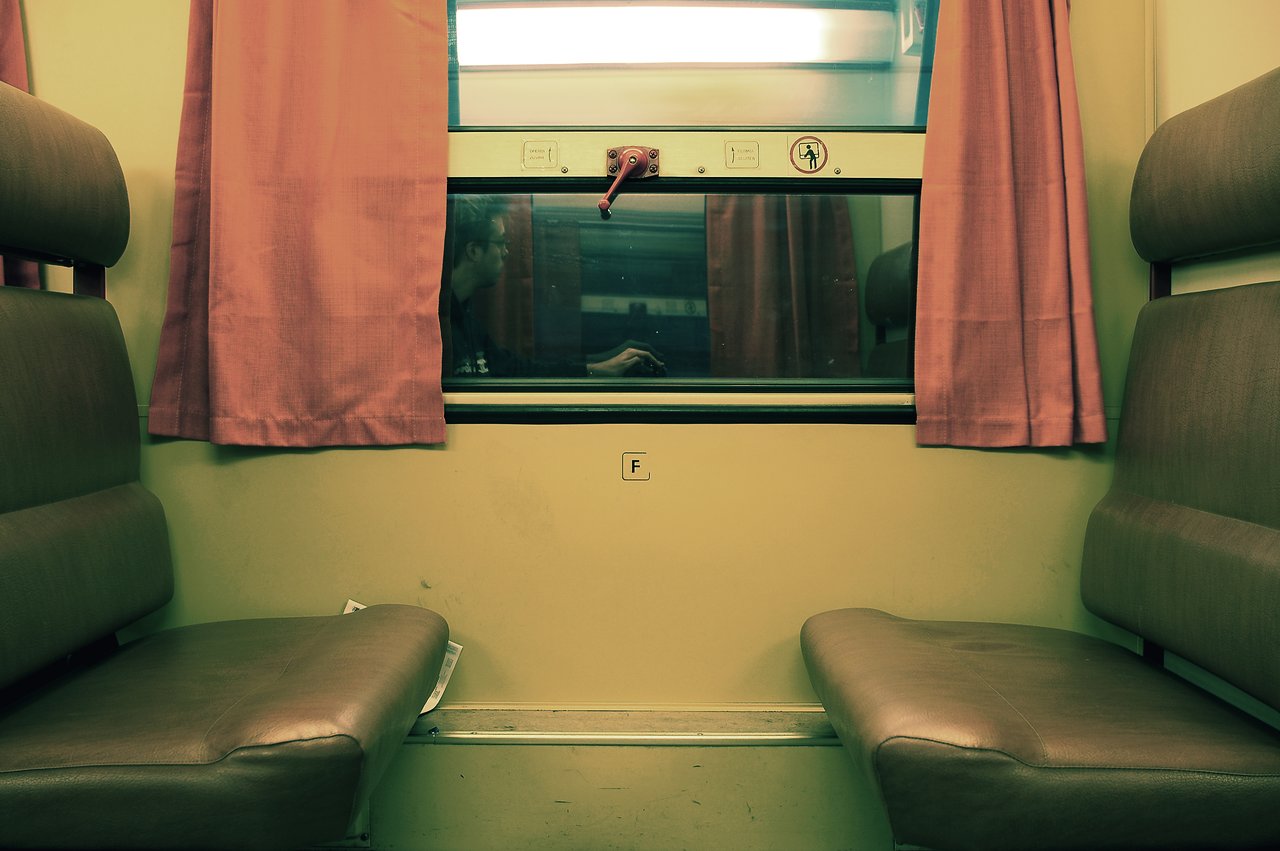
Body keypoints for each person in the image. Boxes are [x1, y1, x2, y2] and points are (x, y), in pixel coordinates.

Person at [445, 196, 665, 377]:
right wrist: (596, 369)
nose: (506, 251)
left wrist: (601, 362)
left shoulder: (468, 323)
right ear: (474, 251)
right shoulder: (438, 327)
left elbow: (517, 369)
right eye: (501, 242)